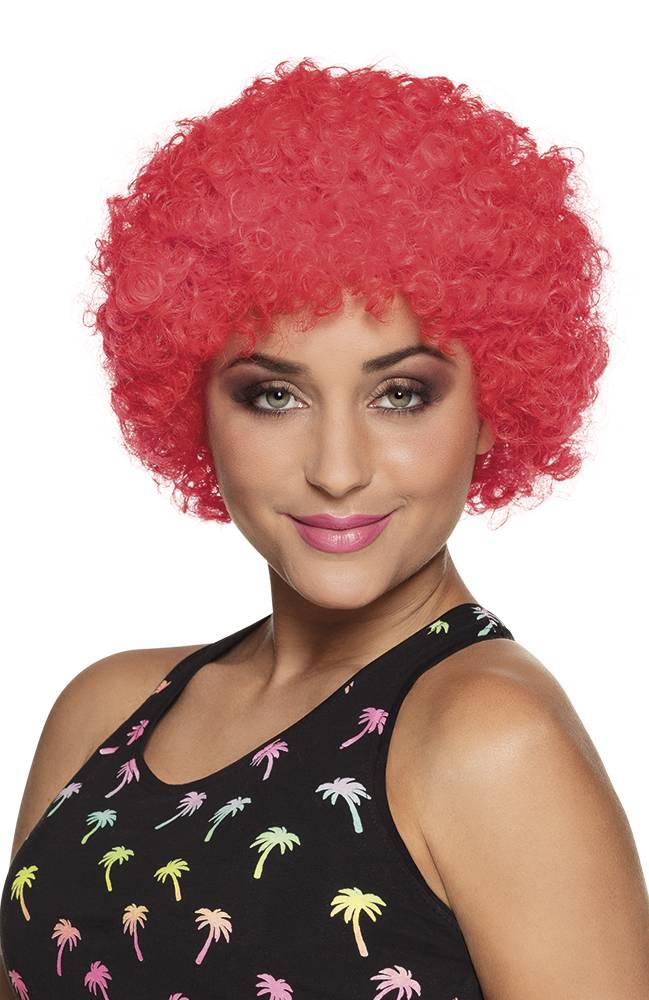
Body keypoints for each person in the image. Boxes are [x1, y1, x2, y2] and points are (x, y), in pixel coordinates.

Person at [1, 56, 648, 1000]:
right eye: (274, 395)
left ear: (493, 409)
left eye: (400, 394)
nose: (337, 469)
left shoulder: (487, 739)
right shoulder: (105, 711)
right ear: (193, 406)